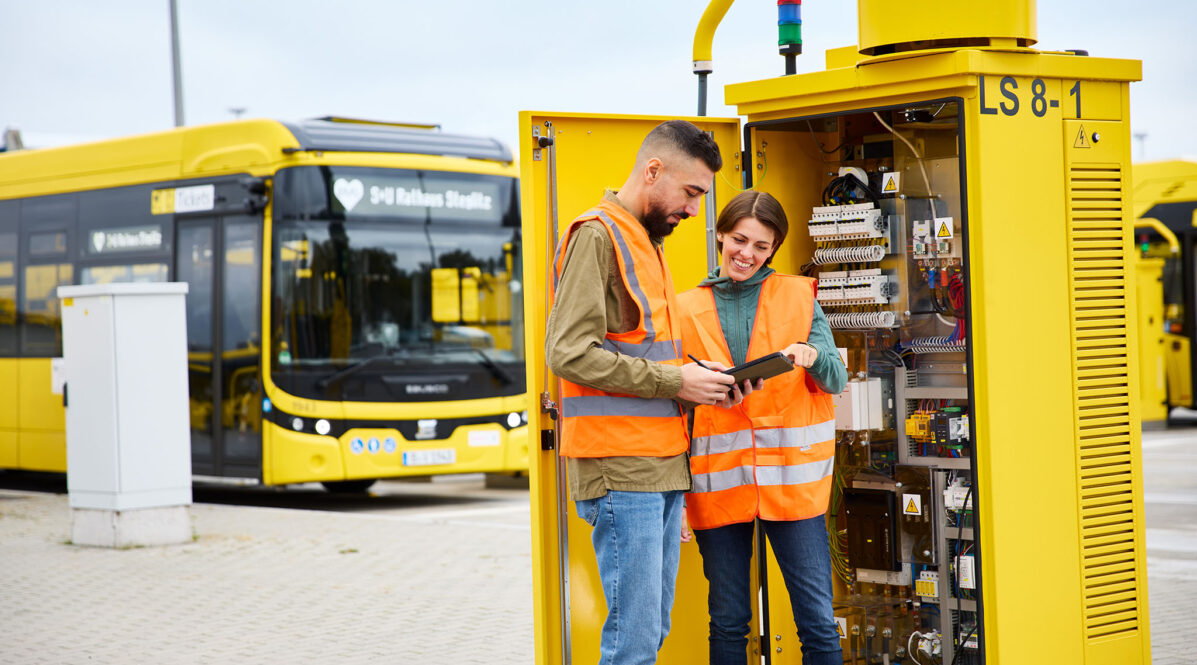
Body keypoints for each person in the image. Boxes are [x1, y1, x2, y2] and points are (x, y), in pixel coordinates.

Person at [545, 120, 753, 665]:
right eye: (691, 194)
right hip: (620, 467)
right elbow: (567, 352)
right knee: (633, 642)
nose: (693, 210)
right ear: (653, 170)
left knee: (650, 631)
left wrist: (699, 378)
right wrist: (675, 380)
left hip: (659, 466)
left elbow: (644, 352)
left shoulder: (646, 241)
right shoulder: (597, 234)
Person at [677, 190, 847, 665]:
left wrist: (813, 357)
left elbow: (835, 377)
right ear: (719, 235)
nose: (747, 254)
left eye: (761, 246)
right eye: (739, 240)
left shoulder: (798, 294)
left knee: (815, 621)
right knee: (728, 622)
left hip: (793, 486)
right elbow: (674, 408)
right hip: (719, 484)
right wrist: (675, 497)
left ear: (773, 249)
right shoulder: (685, 307)